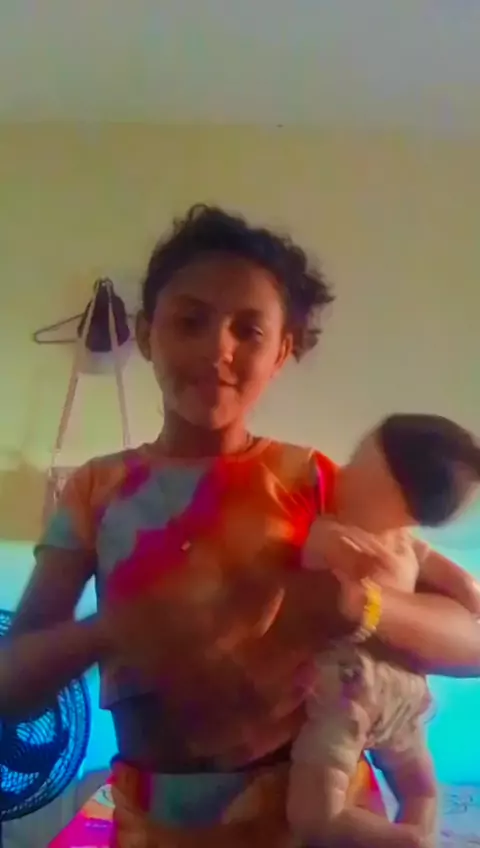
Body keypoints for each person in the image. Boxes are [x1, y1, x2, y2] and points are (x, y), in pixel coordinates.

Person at [1, 205, 480, 848]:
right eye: (190, 321)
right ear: (145, 334)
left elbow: (470, 646)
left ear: (282, 352)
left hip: (309, 815)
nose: (217, 349)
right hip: (159, 827)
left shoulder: (319, 483)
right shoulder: (97, 490)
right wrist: (109, 632)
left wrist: (357, 604)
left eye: (248, 330)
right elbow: (10, 687)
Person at [288, 413, 480, 848]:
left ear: (401, 505)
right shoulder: (404, 547)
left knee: (316, 816)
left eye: (359, 468)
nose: (343, 473)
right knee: (420, 790)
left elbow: (315, 557)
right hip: (404, 691)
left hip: (349, 690)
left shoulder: (341, 532)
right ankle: (416, 836)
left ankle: (402, 842)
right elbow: (465, 589)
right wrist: (469, 594)